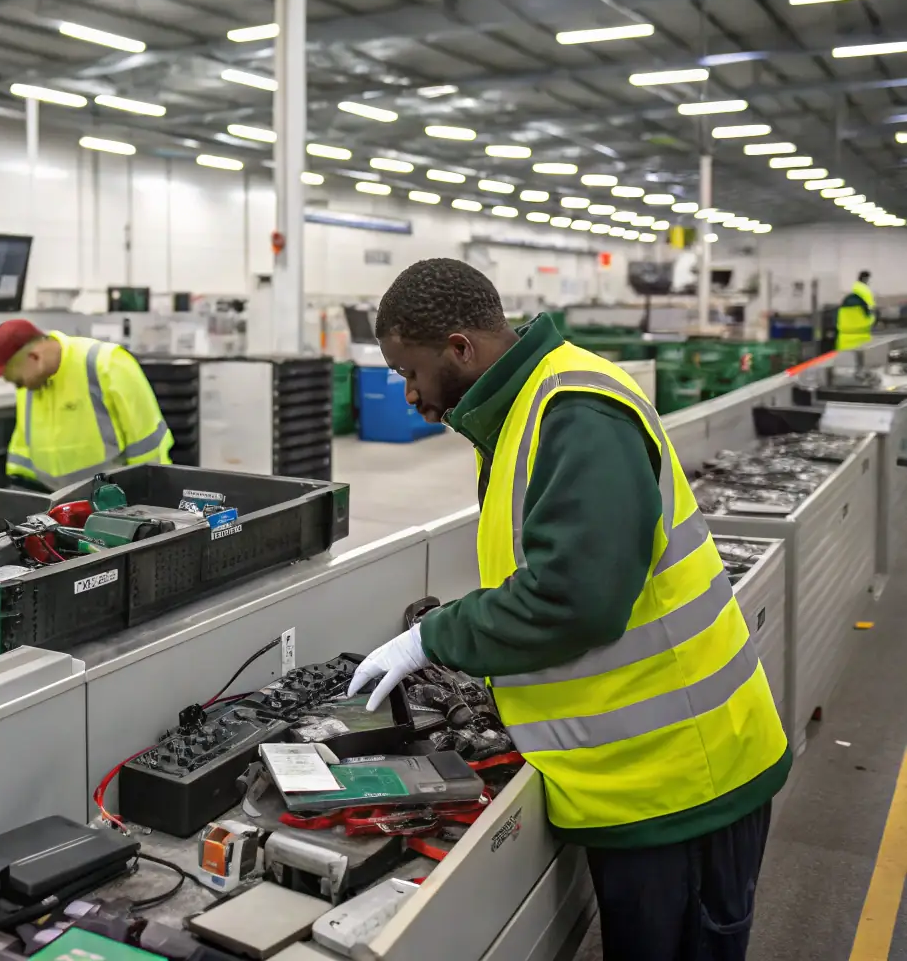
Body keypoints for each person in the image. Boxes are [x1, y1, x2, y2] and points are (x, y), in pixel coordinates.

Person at [347, 259, 790, 961]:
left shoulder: (574, 411)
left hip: (683, 779)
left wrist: (433, 637)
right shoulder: (528, 405)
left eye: (411, 371)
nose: (407, 394)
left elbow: (574, 601)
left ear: (459, 348)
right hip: (636, 775)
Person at [0, 319, 173, 490]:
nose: (19, 387)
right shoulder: (32, 385)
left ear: (35, 358)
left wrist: (148, 496)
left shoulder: (107, 364)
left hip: (113, 500)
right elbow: (23, 447)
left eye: (18, 381)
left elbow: (147, 443)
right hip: (56, 504)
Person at [836, 269, 876, 350]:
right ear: (866, 278)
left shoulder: (855, 288)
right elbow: (869, 309)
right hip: (861, 334)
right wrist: (872, 317)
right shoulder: (864, 290)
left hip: (844, 340)